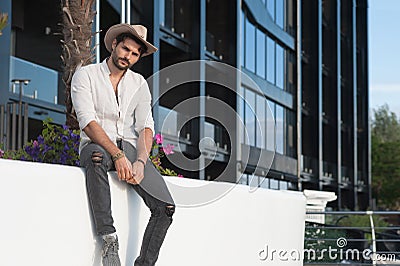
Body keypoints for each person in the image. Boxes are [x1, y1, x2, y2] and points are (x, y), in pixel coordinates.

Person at [71, 24, 175, 266]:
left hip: (130, 148)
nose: (127, 56)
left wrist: (140, 160)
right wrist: (117, 155)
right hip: (95, 144)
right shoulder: (85, 75)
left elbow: (146, 127)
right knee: (96, 158)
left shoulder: (139, 84)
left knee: (166, 208)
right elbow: (87, 121)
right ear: (114, 44)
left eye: (134, 54)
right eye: (125, 49)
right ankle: (109, 240)